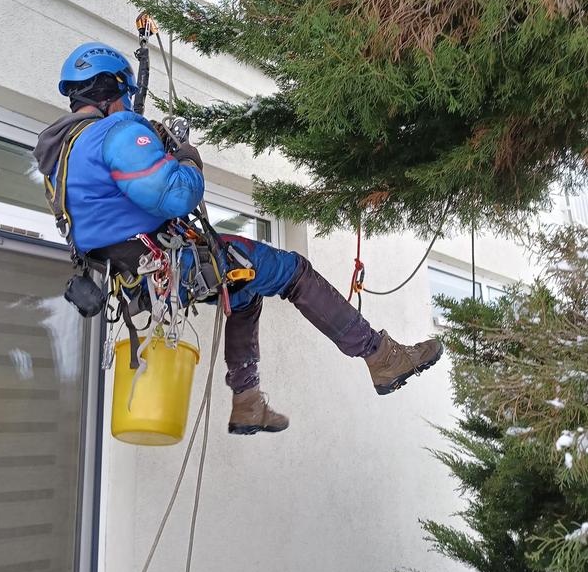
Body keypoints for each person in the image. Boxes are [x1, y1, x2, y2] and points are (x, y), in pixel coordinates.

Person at [34, 42, 443, 435]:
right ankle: (380, 355)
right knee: (291, 271)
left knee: (245, 292)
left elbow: (116, 209)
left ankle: (247, 402)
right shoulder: (116, 130)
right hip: (169, 266)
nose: (126, 105)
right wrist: (184, 156)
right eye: (125, 96)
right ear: (114, 90)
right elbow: (175, 194)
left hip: (136, 276)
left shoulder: (61, 160)